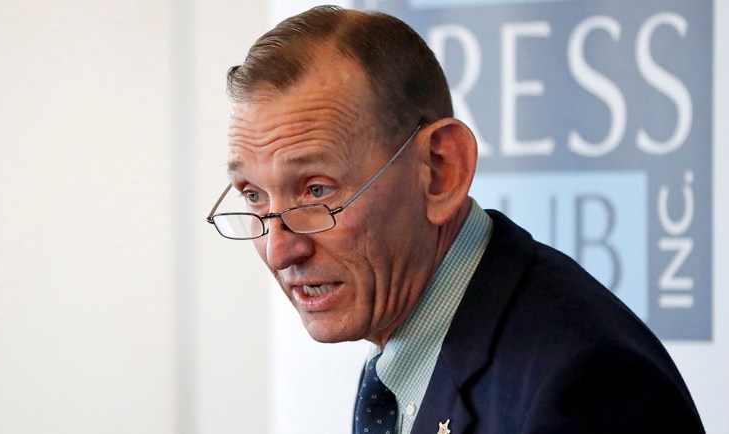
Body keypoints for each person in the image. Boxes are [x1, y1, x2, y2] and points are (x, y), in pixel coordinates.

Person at [207, 5, 704, 433]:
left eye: (316, 191)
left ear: (442, 171)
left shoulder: (585, 385)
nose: (279, 248)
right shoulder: (402, 343)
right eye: (253, 194)